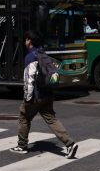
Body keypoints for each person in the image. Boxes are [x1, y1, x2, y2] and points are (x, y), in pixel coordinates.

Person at [9, 30, 78, 159]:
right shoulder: (42, 54)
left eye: (26, 39)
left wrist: (27, 98)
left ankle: (22, 146)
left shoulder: (30, 57)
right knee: (51, 119)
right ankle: (70, 144)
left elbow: (30, 80)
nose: (25, 42)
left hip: (36, 95)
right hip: (48, 93)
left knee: (24, 116)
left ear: (29, 40)